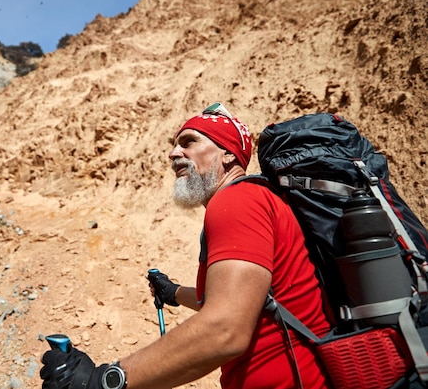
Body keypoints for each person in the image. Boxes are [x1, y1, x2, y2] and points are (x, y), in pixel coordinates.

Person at [40, 102, 332, 389]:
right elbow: (239, 300)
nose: (173, 153)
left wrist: (105, 380)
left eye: (189, 142)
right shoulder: (254, 199)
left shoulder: (236, 202)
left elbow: (225, 329)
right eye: (175, 144)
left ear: (228, 154)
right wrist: (173, 292)